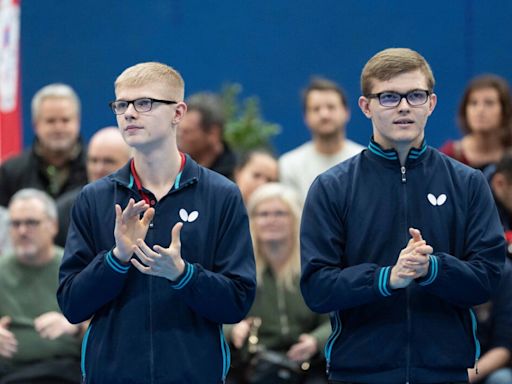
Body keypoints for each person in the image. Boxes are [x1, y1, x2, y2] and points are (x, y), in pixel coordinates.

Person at [300, 48, 506, 384]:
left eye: (415, 95)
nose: (404, 106)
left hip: (445, 371)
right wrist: (387, 279)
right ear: (366, 107)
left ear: (431, 103)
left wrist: (432, 269)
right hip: (359, 372)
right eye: (389, 97)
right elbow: (317, 288)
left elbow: (489, 278)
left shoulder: (468, 183)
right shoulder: (331, 187)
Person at [57, 62, 256, 384]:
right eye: (121, 104)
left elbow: (237, 303)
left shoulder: (222, 195)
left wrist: (183, 274)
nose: (130, 113)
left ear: (178, 113)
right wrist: (116, 259)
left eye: (144, 103)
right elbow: (72, 305)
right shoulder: (94, 198)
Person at [227, 183, 329, 384]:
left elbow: (334, 317)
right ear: (252, 221)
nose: (271, 220)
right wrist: (232, 330)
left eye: (280, 213)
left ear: (295, 219)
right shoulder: (237, 266)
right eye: (263, 214)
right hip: (252, 365)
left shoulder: (313, 264)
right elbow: (215, 314)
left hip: (306, 366)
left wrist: (316, 341)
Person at [0, 189, 84, 384]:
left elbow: (103, 329)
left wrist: (74, 327)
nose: (22, 231)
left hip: (64, 371)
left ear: (53, 226)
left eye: (31, 223)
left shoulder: (76, 269)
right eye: (15, 224)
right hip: (10, 372)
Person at [0, 84, 87, 206]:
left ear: (78, 122)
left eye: (65, 120)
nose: (58, 128)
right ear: (35, 124)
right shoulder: (11, 172)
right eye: (50, 121)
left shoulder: (95, 168)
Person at [279, 77, 364, 201]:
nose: (324, 115)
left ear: (346, 112)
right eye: (316, 109)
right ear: (305, 117)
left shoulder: (365, 161)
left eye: (331, 107)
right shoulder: (289, 165)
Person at [55, 127, 132, 247]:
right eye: (93, 161)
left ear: (130, 163)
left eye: (108, 161)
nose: (98, 169)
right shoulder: (65, 209)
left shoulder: (141, 206)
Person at [439, 74, 512, 170]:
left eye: (489, 103)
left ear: (504, 110)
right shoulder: (449, 156)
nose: (480, 110)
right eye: (473, 103)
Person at [177, 92, 237, 179]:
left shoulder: (235, 176)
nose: (179, 137)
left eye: (187, 132)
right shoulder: (171, 171)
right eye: (178, 130)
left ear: (213, 134)